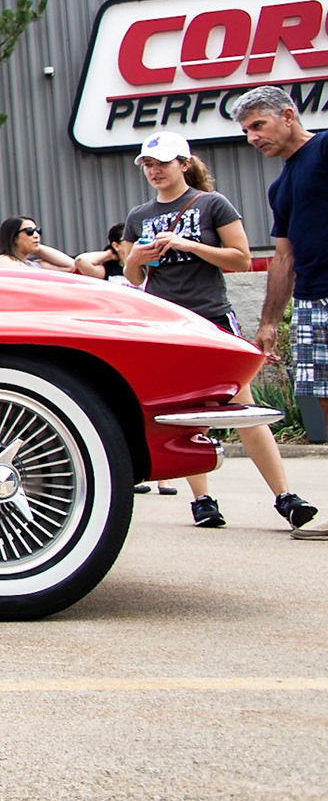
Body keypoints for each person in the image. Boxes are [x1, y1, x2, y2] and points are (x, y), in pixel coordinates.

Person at [121, 128, 316, 530]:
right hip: (165, 324)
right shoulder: (138, 216)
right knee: (182, 412)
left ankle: (285, 497)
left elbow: (241, 259)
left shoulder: (212, 204)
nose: (155, 171)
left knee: (240, 405)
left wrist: (190, 246)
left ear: (184, 164)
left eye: (162, 163)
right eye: (149, 165)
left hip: (210, 318)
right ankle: (202, 500)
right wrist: (137, 255)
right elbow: (132, 276)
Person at [236, 85, 327, 476]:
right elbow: (283, 256)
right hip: (309, 300)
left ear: (288, 116)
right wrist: (270, 321)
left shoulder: (325, 149)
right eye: (246, 131)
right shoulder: (280, 186)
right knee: (323, 398)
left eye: (258, 124)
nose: (253, 137)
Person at [0, 216, 78, 273]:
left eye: (38, 231)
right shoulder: (3, 260)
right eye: (29, 232)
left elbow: (70, 266)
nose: (36, 235)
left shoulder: (33, 265)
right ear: (14, 237)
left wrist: (37, 247)